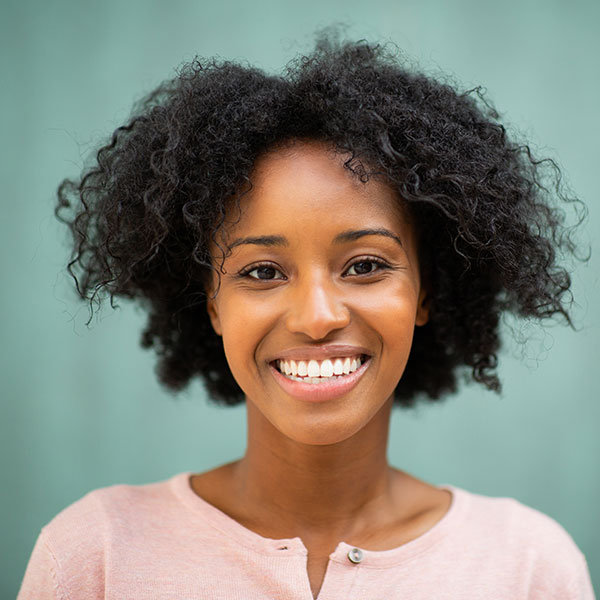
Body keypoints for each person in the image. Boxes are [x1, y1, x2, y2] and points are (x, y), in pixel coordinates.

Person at [18, 34, 595, 599]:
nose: (317, 317)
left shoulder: (529, 566)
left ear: (427, 289)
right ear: (212, 302)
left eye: (365, 264)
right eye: (263, 272)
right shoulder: (97, 555)